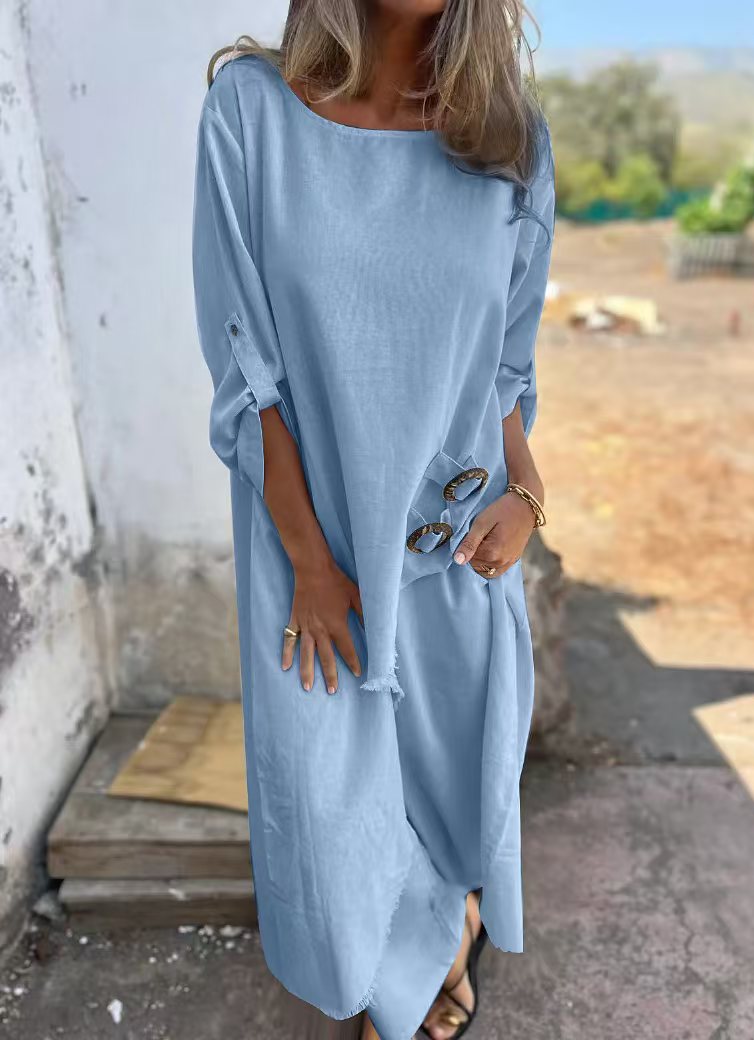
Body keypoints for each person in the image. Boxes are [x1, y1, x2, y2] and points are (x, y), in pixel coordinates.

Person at [192, 2, 555, 1037]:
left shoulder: (509, 138)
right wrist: (308, 557)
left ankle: (443, 935)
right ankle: (400, 964)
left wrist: (527, 495)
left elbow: (506, 365)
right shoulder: (251, 111)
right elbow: (245, 367)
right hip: (311, 544)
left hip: (454, 539)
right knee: (330, 807)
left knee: (445, 786)